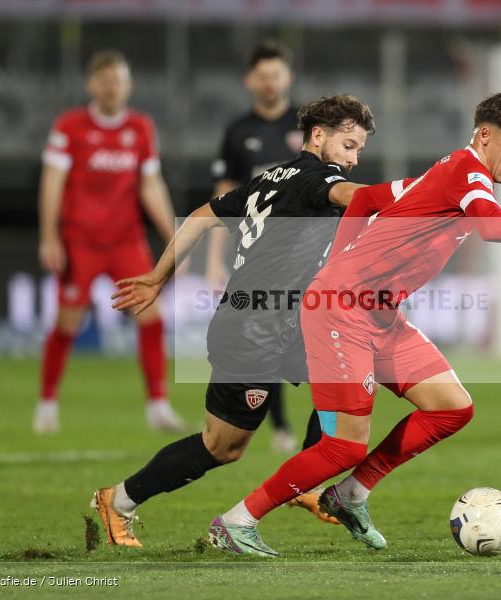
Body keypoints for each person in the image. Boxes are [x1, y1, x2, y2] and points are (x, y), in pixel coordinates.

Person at [208, 93, 501, 557]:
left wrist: (342, 256)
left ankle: (352, 494)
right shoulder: (468, 174)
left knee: (451, 407)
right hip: (341, 310)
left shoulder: (451, 173)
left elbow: (364, 199)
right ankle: (236, 521)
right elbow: (489, 225)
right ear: (486, 136)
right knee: (344, 447)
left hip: (379, 313)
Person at [90, 95, 375, 547]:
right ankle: (119, 500)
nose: (353, 158)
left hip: (276, 322)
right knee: (222, 446)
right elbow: (354, 196)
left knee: (350, 369)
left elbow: (203, 215)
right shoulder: (318, 178)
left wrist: (160, 276)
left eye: (359, 149)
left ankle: (307, 479)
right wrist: (418, 195)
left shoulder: (271, 178)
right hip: (251, 329)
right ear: (319, 136)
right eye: (348, 144)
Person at [32, 50, 185, 434]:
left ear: (128, 85)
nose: (111, 87)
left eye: (117, 80)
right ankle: (47, 403)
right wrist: (49, 236)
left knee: (152, 316)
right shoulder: (70, 126)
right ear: (91, 85)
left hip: (125, 241)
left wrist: (173, 237)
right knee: (67, 321)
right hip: (79, 241)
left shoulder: (140, 127)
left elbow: (151, 184)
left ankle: (158, 405)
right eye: (104, 80)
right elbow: (52, 181)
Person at [207, 41, 303, 454]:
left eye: (276, 74)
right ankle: (274, 423)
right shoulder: (238, 133)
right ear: (251, 81)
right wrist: (213, 258)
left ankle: (307, 433)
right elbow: (223, 197)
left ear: (288, 78)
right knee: (263, 336)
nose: (269, 82)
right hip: (257, 257)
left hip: (306, 255)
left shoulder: (309, 127)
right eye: (262, 75)